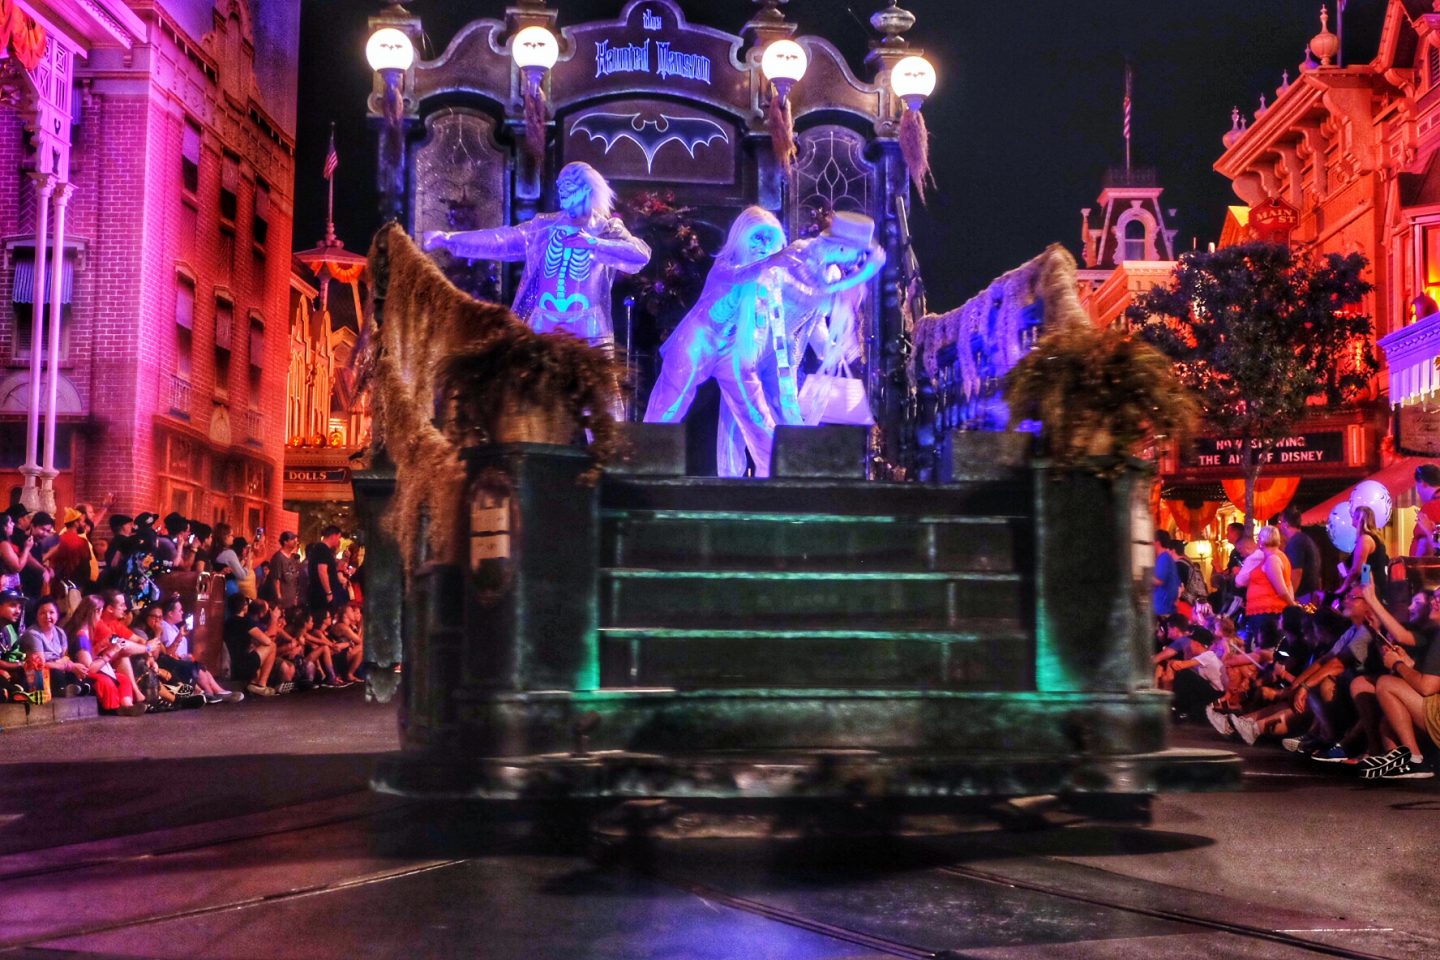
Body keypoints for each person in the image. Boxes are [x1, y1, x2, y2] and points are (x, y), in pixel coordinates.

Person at [714, 211, 886, 476]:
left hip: (783, 358)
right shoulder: (798, 255)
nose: (856, 261)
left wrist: (831, 350)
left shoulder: (831, 273)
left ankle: (781, 486)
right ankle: (729, 486)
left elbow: (814, 319)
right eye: (856, 254)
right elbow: (806, 296)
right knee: (738, 423)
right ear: (841, 246)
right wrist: (855, 281)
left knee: (788, 421)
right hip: (752, 346)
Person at [423, 161, 651, 351]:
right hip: (544, 321)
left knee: (592, 396)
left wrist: (593, 244)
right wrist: (449, 239)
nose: (561, 192)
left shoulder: (605, 229)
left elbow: (640, 255)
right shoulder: (545, 227)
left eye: (568, 186)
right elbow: (502, 240)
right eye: (560, 186)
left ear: (586, 189)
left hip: (588, 326)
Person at [644, 207, 792, 475]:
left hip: (733, 349)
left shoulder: (770, 280)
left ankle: (776, 476)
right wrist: (776, 260)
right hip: (698, 342)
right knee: (669, 405)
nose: (764, 245)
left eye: (770, 239)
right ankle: (647, 470)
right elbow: (741, 276)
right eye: (757, 237)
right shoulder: (725, 266)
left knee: (756, 414)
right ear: (742, 235)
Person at [1237, 525, 1297, 648]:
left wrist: (1293, 606)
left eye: (1258, 538)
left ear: (1263, 540)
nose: (1257, 541)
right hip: (1262, 611)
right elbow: (1288, 583)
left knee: (1266, 647)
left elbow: (1282, 589)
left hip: (1267, 612)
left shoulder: (1273, 559)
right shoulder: (1269, 557)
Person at [20, 597, 86, 694]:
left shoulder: (60, 632)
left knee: (81, 669)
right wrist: (66, 666)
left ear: (57, 614)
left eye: (51, 612)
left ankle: (79, 688)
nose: (47, 616)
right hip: (37, 675)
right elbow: (40, 664)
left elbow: (66, 657)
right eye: (42, 613)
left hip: (59, 668)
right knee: (56, 672)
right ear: (36, 616)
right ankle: (65, 690)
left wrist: (68, 665)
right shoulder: (32, 634)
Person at [1341, 504, 1389, 600]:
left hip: (1371, 591)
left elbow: (1358, 569)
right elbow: (1366, 567)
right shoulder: (1375, 539)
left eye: (1354, 516)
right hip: (1373, 588)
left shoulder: (1365, 539)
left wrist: (1344, 587)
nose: (1352, 519)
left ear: (1359, 518)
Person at [1276, 506, 1321, 604]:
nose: (1278, 526)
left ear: (1286, 524)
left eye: (1280, 522)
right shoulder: (1304, 539)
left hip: (1302, 596)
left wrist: (1289, 599)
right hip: (1309, 593)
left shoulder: (1295, 542)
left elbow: (1296, 572)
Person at [308, 526, 344, 616]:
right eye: (339, 537)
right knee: (322, 618)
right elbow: (322, 571)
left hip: (321, 593)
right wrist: (328, 593)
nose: (339, 540)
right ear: (334, 536)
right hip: (321, 594)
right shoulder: (322, 549)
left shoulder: (323, 549)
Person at [263, 532, 305, 609]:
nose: (295, 541)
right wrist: (279, 597)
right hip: (282, 602)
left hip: (291, 601)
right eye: (292, 539)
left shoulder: (292, 558)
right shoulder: (278, 558)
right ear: (285, 542)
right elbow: (276, 579)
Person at [1151, 531, 1183, 620]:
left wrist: (1142, 577)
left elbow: (1158, 580)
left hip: (1163, 609)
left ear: (1157, 542)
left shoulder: (1164, 558)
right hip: (1166, 607)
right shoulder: (1166, 558)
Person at [1411, 463, 1440, 557]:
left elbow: (1423, 545)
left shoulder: (1430, 508)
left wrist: (1416, 566)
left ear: (1423, 483)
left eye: (1417, 487)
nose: (1418, 492)